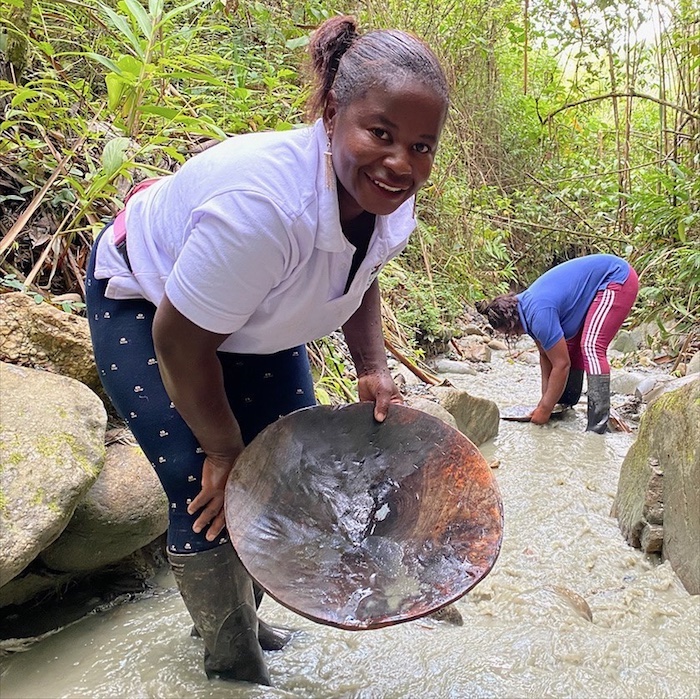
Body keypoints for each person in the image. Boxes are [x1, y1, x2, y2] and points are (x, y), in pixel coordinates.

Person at [84, 15, 449, 686]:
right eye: (382, 134)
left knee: (281, 475)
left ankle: (241, 619)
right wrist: (223, 449)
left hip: (252, 320)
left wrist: (371, 366)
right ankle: (230, 668)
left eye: (422, 146)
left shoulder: (391, 201)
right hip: (151, 306)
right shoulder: (262, 206)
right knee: (212, 488)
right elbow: (180, 339)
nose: (402, 162)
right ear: (335, 112)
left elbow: (362, 274)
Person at [476, 253, 639, 433]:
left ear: (511, 325)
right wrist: (545, 403)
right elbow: (546, 357)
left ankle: (597, 427)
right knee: (569, 348)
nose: (513, 336)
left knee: (591, 347)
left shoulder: (538, 314)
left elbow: (561, 365)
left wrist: (543, 411)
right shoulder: (524, 311)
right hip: (596, 287)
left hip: (616, 279)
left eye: (509, 333)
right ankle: (564, 405)